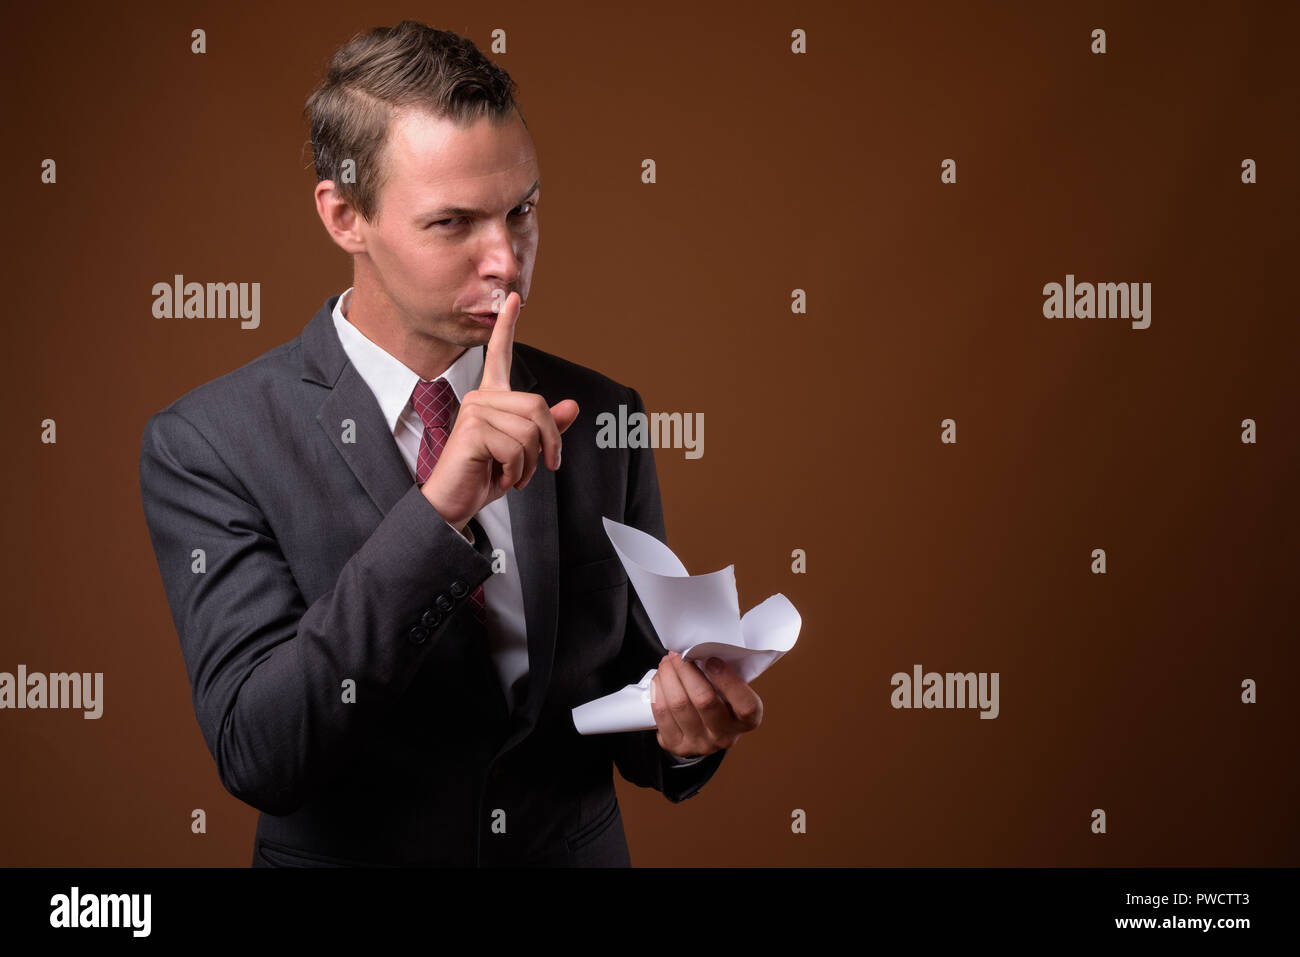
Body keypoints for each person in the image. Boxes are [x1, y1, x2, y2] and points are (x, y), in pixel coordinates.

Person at [138, 20, 763, 867]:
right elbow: (263, 751)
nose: (505, 259)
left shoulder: (603, 413)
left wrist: (692, 728)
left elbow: (636, 706)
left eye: (521, 211)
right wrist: (440, 513)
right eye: (453, 223)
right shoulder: (209, 442)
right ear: (345, 215)